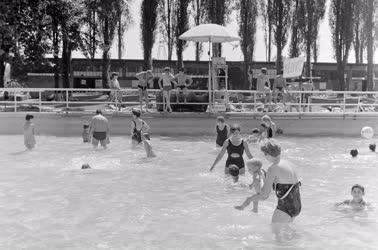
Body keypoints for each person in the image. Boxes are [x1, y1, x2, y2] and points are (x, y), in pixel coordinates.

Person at [235, 140, 301, 225]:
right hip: (297, 205)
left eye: (264, 154)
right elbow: (286, 184)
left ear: (267, 154)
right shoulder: (288, 163)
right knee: (287, 232)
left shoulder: (273, 168)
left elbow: (264, 195)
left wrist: (249, 199)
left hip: (285, 208)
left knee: (276, 235)